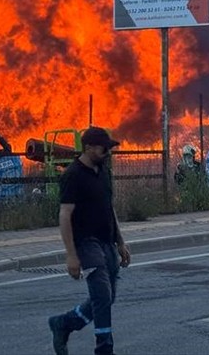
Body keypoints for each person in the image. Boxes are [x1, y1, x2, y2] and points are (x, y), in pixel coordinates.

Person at [47, 126, 131, 355]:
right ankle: (104, 349)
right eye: (104, 148)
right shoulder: (73, 175)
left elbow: (108, 207)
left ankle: (64, 323)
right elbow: (65, 214)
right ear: (89, 147)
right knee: (102, 295)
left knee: (108, 297)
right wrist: (71, 255)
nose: (108, 152)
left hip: (107, 241)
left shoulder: (102, 171)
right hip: (86, 243)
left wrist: (120, 241)